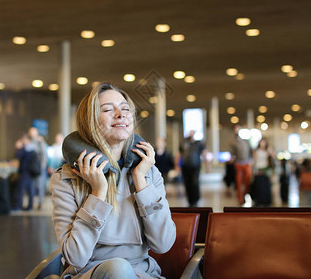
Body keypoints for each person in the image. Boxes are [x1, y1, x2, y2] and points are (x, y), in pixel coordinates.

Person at [50, 83, 176, 279]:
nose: (121, 114)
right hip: (90, 273)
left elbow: (163, 244)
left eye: (125, 109)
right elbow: (75, 257)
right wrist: (97, 193)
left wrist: (141, 182)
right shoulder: (66, 178)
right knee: (118, 269)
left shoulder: (148, 172)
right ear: (89, 121)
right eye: (108, 109)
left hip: (143, 273)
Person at [180, 130, 209, 206]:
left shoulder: (199, 144)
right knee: (187, 183)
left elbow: (205, 154)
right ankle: (189, 200)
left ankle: (195, 200)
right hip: (185, 167)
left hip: (195, 167)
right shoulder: (184, 143)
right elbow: (179, 155)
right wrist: (177, 166)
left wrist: (207, 166)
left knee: (195, 183)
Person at [229, 125, 253, 205]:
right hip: (238, 164)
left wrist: (251, 161)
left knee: (247, 181)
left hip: (246, 163)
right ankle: (240, 199)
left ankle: (246, 195)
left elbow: (251, 152)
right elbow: (232, 154)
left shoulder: (247, 141)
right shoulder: (233, 143)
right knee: (239, 182)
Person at [28, 127, 48, 209]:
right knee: (32, 186)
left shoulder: (40, 142)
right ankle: (32, 203)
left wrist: (42, 167)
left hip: (39, 168)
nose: (31, 134)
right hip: (31, 169)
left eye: (32, 133)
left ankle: (40, 203)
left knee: (40, 186)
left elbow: (44, 155)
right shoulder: (29, 142)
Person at [15, 134, 36, 211]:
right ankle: (30, 206)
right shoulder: (33, 148)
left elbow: (18, 156)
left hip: (25, 172)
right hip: (31, 172)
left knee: (21, 189)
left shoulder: (26, 149)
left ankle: (18, 206)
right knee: (30, 190)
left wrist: (18, 148)